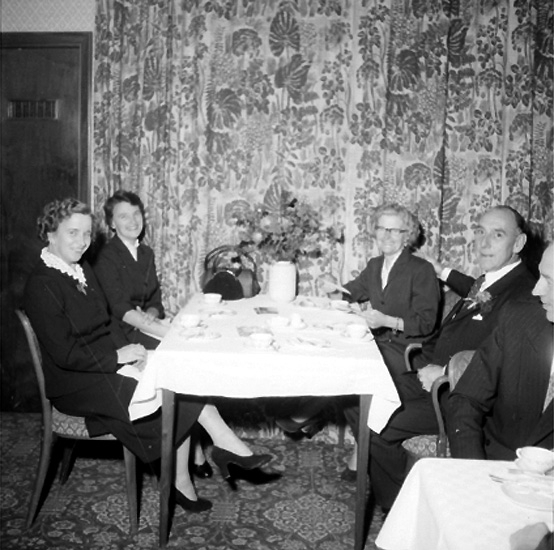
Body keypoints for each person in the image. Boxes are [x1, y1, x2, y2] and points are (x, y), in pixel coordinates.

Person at [24, 198, 272, 514]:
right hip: (76, 383)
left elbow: (106, 323)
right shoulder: (42, 284)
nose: (82, 242)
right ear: (50, 234)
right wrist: (117, 358)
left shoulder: (80, 268)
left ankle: (195, 469)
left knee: (177, 373)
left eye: (86, 234)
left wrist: (135, 355)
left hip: (101, 365)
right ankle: (212, 456)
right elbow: (65, 354)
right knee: (169, 392)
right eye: (73, 233)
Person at [364, 205, 537, 511]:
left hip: (455, 393)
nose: (484, 242)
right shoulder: (492, 279)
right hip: (428, 374)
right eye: (480, 232)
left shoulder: (524, 293)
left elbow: (507, 361)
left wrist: (444, 370)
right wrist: (440, 269)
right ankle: (404, 493)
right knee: (362, 397)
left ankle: (399, 507)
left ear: (519, 243)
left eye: (497, 235)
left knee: (375, 425)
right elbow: (475, 292)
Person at [92, 190, 211, 478]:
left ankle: (195, 449)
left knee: (193, 360)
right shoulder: (106, 256)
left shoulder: (145, 253)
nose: (132, 221)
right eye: (123, 216)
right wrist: (162, 329)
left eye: (136, 214)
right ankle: (194, 453)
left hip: (142, 326)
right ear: (112, 223)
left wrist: (151, 314)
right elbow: (120, 310)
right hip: (121, 336)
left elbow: (154, 300)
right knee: (182, 360)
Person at [446, 241, 553, 458]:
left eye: (549, 281)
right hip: (495, 461)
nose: (536, 290)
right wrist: (473, 465)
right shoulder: (517, 318)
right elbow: (465, 400)